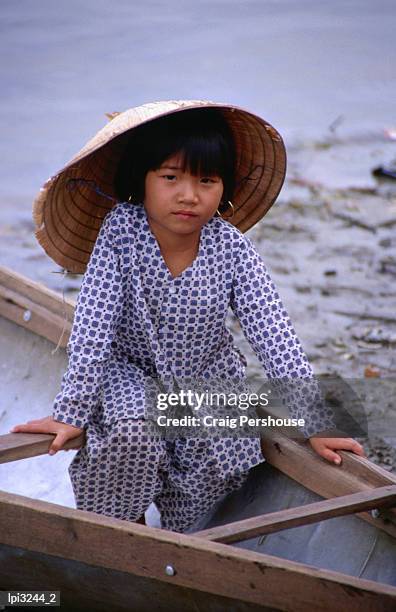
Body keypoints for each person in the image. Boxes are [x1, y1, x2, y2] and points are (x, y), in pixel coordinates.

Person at [10, 100, 364, 533]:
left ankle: (180, 537)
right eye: (170, 177)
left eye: (206, 180)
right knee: (130, 435)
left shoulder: (231, 247)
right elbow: (92, 328)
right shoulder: (121, 231)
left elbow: (274, 335)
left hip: (207, 376)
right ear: (141, 180)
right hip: (129, 373)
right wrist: (71, 411)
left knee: (216, 455)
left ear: (224, 188)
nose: (189, 195)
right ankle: (122, 525)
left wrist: (315, 422)